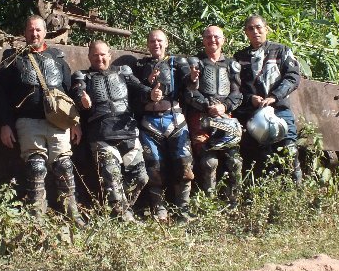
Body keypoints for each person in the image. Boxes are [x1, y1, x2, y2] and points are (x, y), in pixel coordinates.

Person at [0, 15, 84, 226]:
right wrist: (5, 123)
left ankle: (72, 212)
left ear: (45, 32)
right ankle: (38, 216)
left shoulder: (57, 57)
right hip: (28, 121)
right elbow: (0, 94)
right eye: (30, 30)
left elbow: (68, 91)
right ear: (24, 32)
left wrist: (75, 122)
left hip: (58, 122)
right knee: (36, 166)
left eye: (38, 30)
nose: (34, 34)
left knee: (64, 165)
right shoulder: (12, 57)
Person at [70, 41, 151, 222]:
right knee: (113, 179)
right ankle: (124, 217)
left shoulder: (123, 72)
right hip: (101, 135)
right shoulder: (82, 76)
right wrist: (81, 100)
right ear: (89, 57)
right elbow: (77, 93)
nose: (99, 58)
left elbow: (139, 88)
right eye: (95, 55)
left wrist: (151, 94)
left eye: (103, 54)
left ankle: (121, 209)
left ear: (109, 55)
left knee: (141, 177)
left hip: (127, 131)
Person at [133, 29, 195, 223]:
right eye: (152, 41)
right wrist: (147, 84)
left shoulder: (178, 63)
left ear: (166, 43)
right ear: (147, 44)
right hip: (149, 123)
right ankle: (159, 209)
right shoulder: (140, 65)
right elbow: (132, 87)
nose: (156, 44)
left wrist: (193, 79)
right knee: (154, 167)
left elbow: (189, 84)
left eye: (159, 41)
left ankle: (183, 209)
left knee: (184, 164)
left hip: (174, 119)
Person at [234, 14, 302, 182]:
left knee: (290, 149)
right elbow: (235, 87)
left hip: (279, 109)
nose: (255, 31)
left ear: (266, 29)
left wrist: (274, 96)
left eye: (258, 27)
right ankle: (264, 192)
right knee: (260, 155)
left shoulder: (281, 50)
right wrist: (250, 98)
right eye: (250, 28)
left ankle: (297, 190)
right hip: (252, 112)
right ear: (246, 33)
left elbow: (293, 77)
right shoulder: (239, 57)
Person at [184, 25, 243, 197]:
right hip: (201, 118)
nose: (213, 40)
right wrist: (206, 106)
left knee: (235, 161)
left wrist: (224, 107)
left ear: (223, 40)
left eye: (216, 37)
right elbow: (188, 92)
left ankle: (234, 200)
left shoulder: (232, 65)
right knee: (209, 162)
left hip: (225, 117)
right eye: (208, 37)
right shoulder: (196, 63)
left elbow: (237, 93)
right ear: (203, 40)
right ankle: (208, 203)